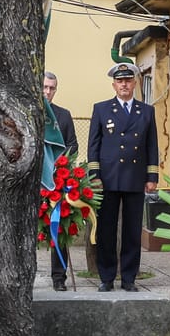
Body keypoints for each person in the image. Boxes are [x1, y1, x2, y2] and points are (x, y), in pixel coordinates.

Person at [87, 62, 159, 292]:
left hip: (135, 178)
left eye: (128, 80)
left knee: (132, 231)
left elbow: (152, 145)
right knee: (106, 230)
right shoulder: (101, 109)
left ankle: (128, 277)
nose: (124, 85)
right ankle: (106, 277)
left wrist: (152, 177)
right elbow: (94, 145)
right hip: (107, 178)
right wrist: (94, 175)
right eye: (120, 81)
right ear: (114, 85)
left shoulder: (146, 111)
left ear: (135, 83)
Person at [44, 71, 79, 291]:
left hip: (56, 180)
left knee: (59, 229)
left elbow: (72, 145)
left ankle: (59, 277)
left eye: (52, 88)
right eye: (45, 87)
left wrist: (61, 165)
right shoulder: (25, 111)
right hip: (30, 183)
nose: (48, 92)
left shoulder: (63, 115)